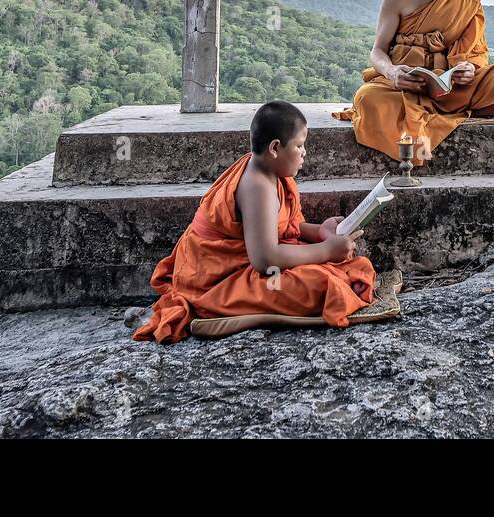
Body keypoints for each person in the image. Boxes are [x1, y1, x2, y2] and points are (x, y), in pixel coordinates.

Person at [132, 101, 376, 343]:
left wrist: (319, 232)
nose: (304, 153)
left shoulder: (267, 170)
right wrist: (325, 250)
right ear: (275, 148)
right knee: (322, 285)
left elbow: (280, 228)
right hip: (216, 277)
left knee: (345, 268)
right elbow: (264, 261)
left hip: (246, 260)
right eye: (299, 146)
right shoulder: (258, 186)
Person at [334, 0, 494, 163]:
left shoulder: (468, 0)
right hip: (405, 84)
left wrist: (469, 68)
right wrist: (392, 73)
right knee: (367, 98)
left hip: (447, 85)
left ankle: (448, 107)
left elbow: (475, 52)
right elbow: (378, 51)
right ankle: (459, 110)